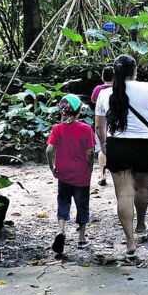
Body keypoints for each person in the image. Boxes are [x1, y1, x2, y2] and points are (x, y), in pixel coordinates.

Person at [95, 55, 148, 258]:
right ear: (135, 70)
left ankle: (130, 242)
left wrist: (104, 145)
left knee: (124, 194)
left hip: (117, 145)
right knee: (142, 188)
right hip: (144, 144)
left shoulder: (104, 94)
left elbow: (99, 126)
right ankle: (141, 224)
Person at [46, 94, 95, 254]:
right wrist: (90, 167)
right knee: (82, 205)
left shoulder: (57, 129)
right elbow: (90, 153)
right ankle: (81, 239)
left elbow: (49, 149)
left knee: (63, 202)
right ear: (79, 112)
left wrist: (51, 167)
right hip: (81, 174)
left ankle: (61, 230)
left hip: (63, 174)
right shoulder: (86, 129)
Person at [90, 65, 114, 186]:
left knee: (101, 148)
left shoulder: (99, 89)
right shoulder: (119, 88)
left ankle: (102, 174)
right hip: (115, 122)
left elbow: (93, 100)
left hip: (102, 121)